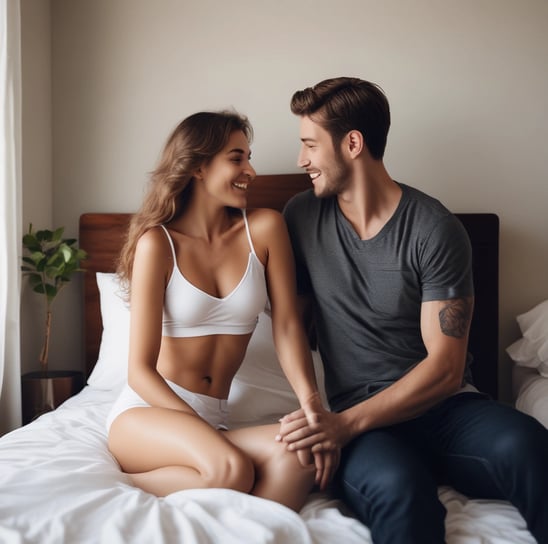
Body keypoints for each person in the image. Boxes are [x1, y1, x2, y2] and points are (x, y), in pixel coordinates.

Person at [277, 77, 548, 542]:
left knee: (531, 446)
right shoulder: (299, 218)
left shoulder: (433, 227)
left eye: (309, 145)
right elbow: (291, 323)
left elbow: (445, 369)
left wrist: (342, 426)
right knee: (399, 489)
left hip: (447, 411)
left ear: (353, 144)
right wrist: (317, 410)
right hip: (368, 429)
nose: (301, 160)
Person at [106, 110, 335, 512]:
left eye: (248, 157)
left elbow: (285, 326)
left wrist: (311, 404)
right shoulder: (156, 244)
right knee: (231, 469)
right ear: (198, 165)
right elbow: (139, 371)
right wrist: (195, 426)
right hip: (149, 415)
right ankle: (117, 485)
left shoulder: (264, 228)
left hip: (213, 420)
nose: (251, 170)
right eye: (236, 158)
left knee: (299, 459)